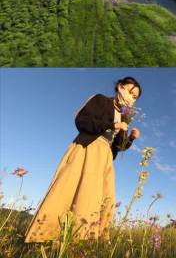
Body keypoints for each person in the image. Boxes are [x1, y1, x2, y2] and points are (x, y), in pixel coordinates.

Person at [24, 77, 142, 242]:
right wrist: (113, 125)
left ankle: (84, 240)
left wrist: (131, 138)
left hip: (105, 156)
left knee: (99, 198)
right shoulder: (100, 100)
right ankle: (45, 236)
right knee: (69, 189)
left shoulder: (124, 117)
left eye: (135, 97)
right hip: (88, 148)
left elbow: (119, 146)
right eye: (130, 92)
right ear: (120, 87)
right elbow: (82, 121)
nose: (131, 97)